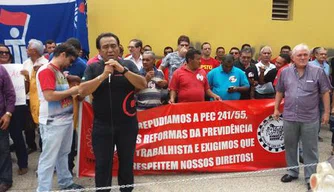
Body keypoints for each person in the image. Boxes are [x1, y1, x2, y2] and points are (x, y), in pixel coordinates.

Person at [78, 32, 146, 192]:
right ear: (99, 51)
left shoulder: (128, 65)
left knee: (127, 162)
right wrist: (103, 75)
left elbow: (142, 83)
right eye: (105, 47)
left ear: (119, 47)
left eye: (113, 46)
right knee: (103, 164)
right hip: (102, 126)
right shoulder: (93, 67)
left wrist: (122, 70)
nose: (110, 50)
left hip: (127, 125)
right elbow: (82, 91)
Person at [273, 43, 331, 191]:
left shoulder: (318, 71)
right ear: (293, 57)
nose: (303, 57)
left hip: (310, 117)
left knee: (310, 149)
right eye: (299, 55)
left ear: (309, 56)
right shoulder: (284, 72)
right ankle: (292, 172)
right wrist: (276, 109)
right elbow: (279, 91)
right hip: (290, 115)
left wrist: (326, 112)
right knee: (291, 145)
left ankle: (310, 177)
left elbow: (325, 92)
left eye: (305, 54)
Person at [36, 43, 83, 191]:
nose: (71, 63)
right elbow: (49, 96)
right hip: (52, 122)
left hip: (64, 120)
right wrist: (72, 91)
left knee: (64, 154)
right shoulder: (47, 71)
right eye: (70, 60)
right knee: (48, 159)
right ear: (63, 54)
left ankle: (65, 182)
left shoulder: (59, 71)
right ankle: (43, 189)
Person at [0, 45, 29, 176]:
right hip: (2, 110)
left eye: (7, 53)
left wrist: (26, 78)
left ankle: (23, 164)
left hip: (16, 107)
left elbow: (25, 90)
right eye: (1, 53)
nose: (4, 55)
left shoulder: (17, 69)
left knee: (17, 136)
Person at [21, 39, 48, 155]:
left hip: (41, 99)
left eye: (28, 48)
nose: (26, 49)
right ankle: (31, 145)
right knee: (28, 125)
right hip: (27, 97)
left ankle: (44, 148)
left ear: (34, 51)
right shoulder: (26, 63)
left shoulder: (46, 63)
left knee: (42, 125)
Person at [0, 63, 16, 192]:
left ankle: (5, 180)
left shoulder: (1, 70)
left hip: (1, 119)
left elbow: (10, 94)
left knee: (3, 150)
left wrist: (8, 113)